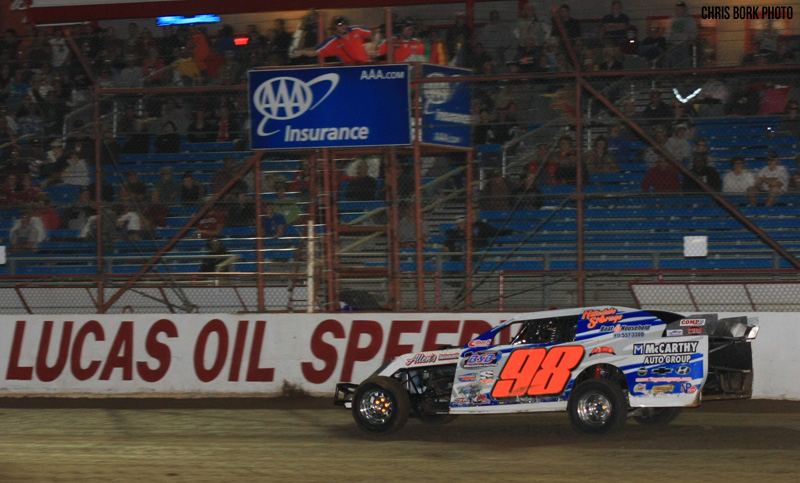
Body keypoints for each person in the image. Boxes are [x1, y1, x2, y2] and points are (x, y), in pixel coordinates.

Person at [300, 16, 372, 65]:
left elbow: (370, 34)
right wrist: (302, 52)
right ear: (334, 27)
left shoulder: (357, 30)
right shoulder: (332, 42)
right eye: (339, 25)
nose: (343, 27)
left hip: (365, 65)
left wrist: (370, 47)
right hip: (350, 69)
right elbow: (315, 52)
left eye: (344, 24)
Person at [665, 1, 697, 68]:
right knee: (674, 62)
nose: (677, 10)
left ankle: (684, 73)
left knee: (685, 62)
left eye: (679, 9)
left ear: (684, 9)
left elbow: (694, 33)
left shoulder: (689, 19)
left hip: (684, 44)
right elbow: (668, 32)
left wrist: (689, 41)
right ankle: (677, 74)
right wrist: (667, 40)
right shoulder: (672, 19)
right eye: (676, 9)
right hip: (673, 45)